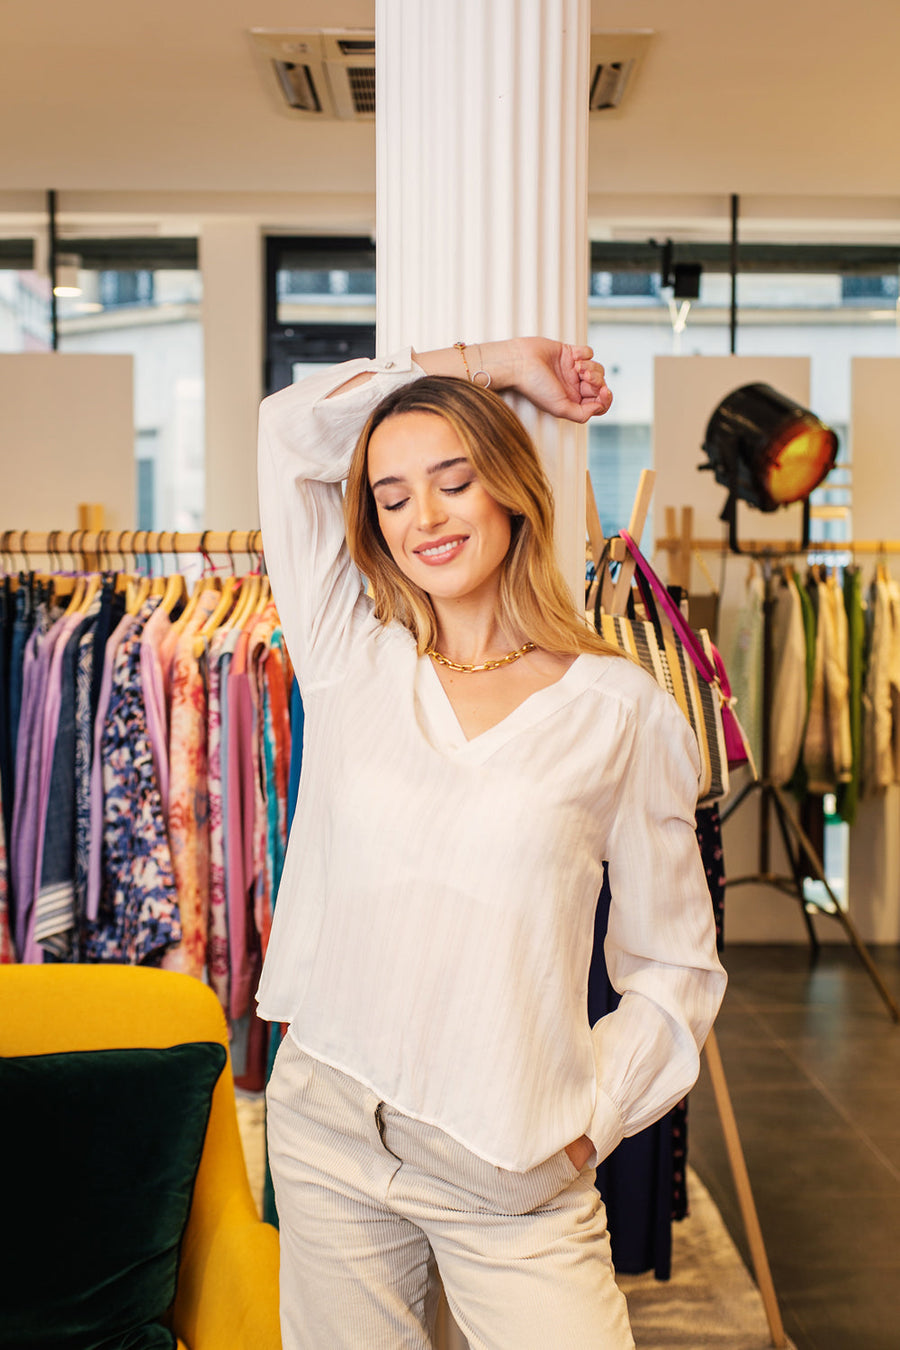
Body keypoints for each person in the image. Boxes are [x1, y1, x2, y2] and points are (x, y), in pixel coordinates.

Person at [258, 337, 727, 1350]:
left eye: (454, 480)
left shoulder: (621, 711)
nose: (423, 517)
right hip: (330, 1119)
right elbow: (289, 430)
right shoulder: (352, 660)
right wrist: (498, 362)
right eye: (391, 497)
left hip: (507, 1153)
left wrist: (587, 1119)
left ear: (511, 489)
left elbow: (675, 965)